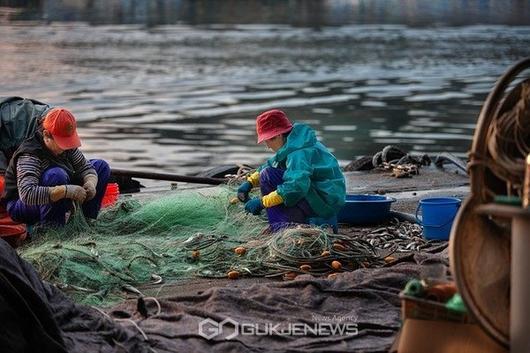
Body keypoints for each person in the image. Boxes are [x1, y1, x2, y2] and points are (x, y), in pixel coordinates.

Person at [237, 109, 345, 232]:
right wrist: (250, 182)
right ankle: (288, 221)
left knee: (267, 175)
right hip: (321, 195)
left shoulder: (298, 153)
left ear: (277, 135)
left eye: (267, 140)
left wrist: (262, 202)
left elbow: (296, 187)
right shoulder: (296, 142)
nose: (267, 146)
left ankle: (281, 229)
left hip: (323, 204)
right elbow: (274, 162)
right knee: (267, 171)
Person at [2, 107, 110, 226]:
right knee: (56, 175)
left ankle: (86, 221)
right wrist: (65, 191)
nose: (66, 148)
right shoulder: (30, 154)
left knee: (101, 166)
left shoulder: (68, 147)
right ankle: (52, 229)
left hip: (59, 189)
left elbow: (85, 167)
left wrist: (90, 183)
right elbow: (27, 194)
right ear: (46, 135)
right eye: (62, 143)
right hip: (22, 204)